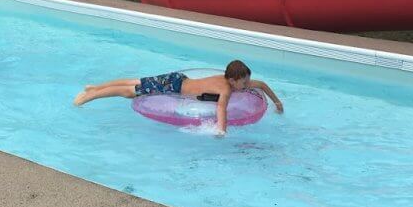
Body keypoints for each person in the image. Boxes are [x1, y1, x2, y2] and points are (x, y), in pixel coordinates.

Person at [73, 60, 283, 136]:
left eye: (248, 81)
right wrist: (221, 130)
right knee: (129, 92)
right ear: (233, 80)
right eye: (244, 82)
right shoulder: (227, 90)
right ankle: (90, 96)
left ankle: (95, 86)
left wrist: (277, 101)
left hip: (179, 79)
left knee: (134, 81)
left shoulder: (236, 82)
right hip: (173, 86)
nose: (247, 85)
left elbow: (262, 85)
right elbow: (221, 109)